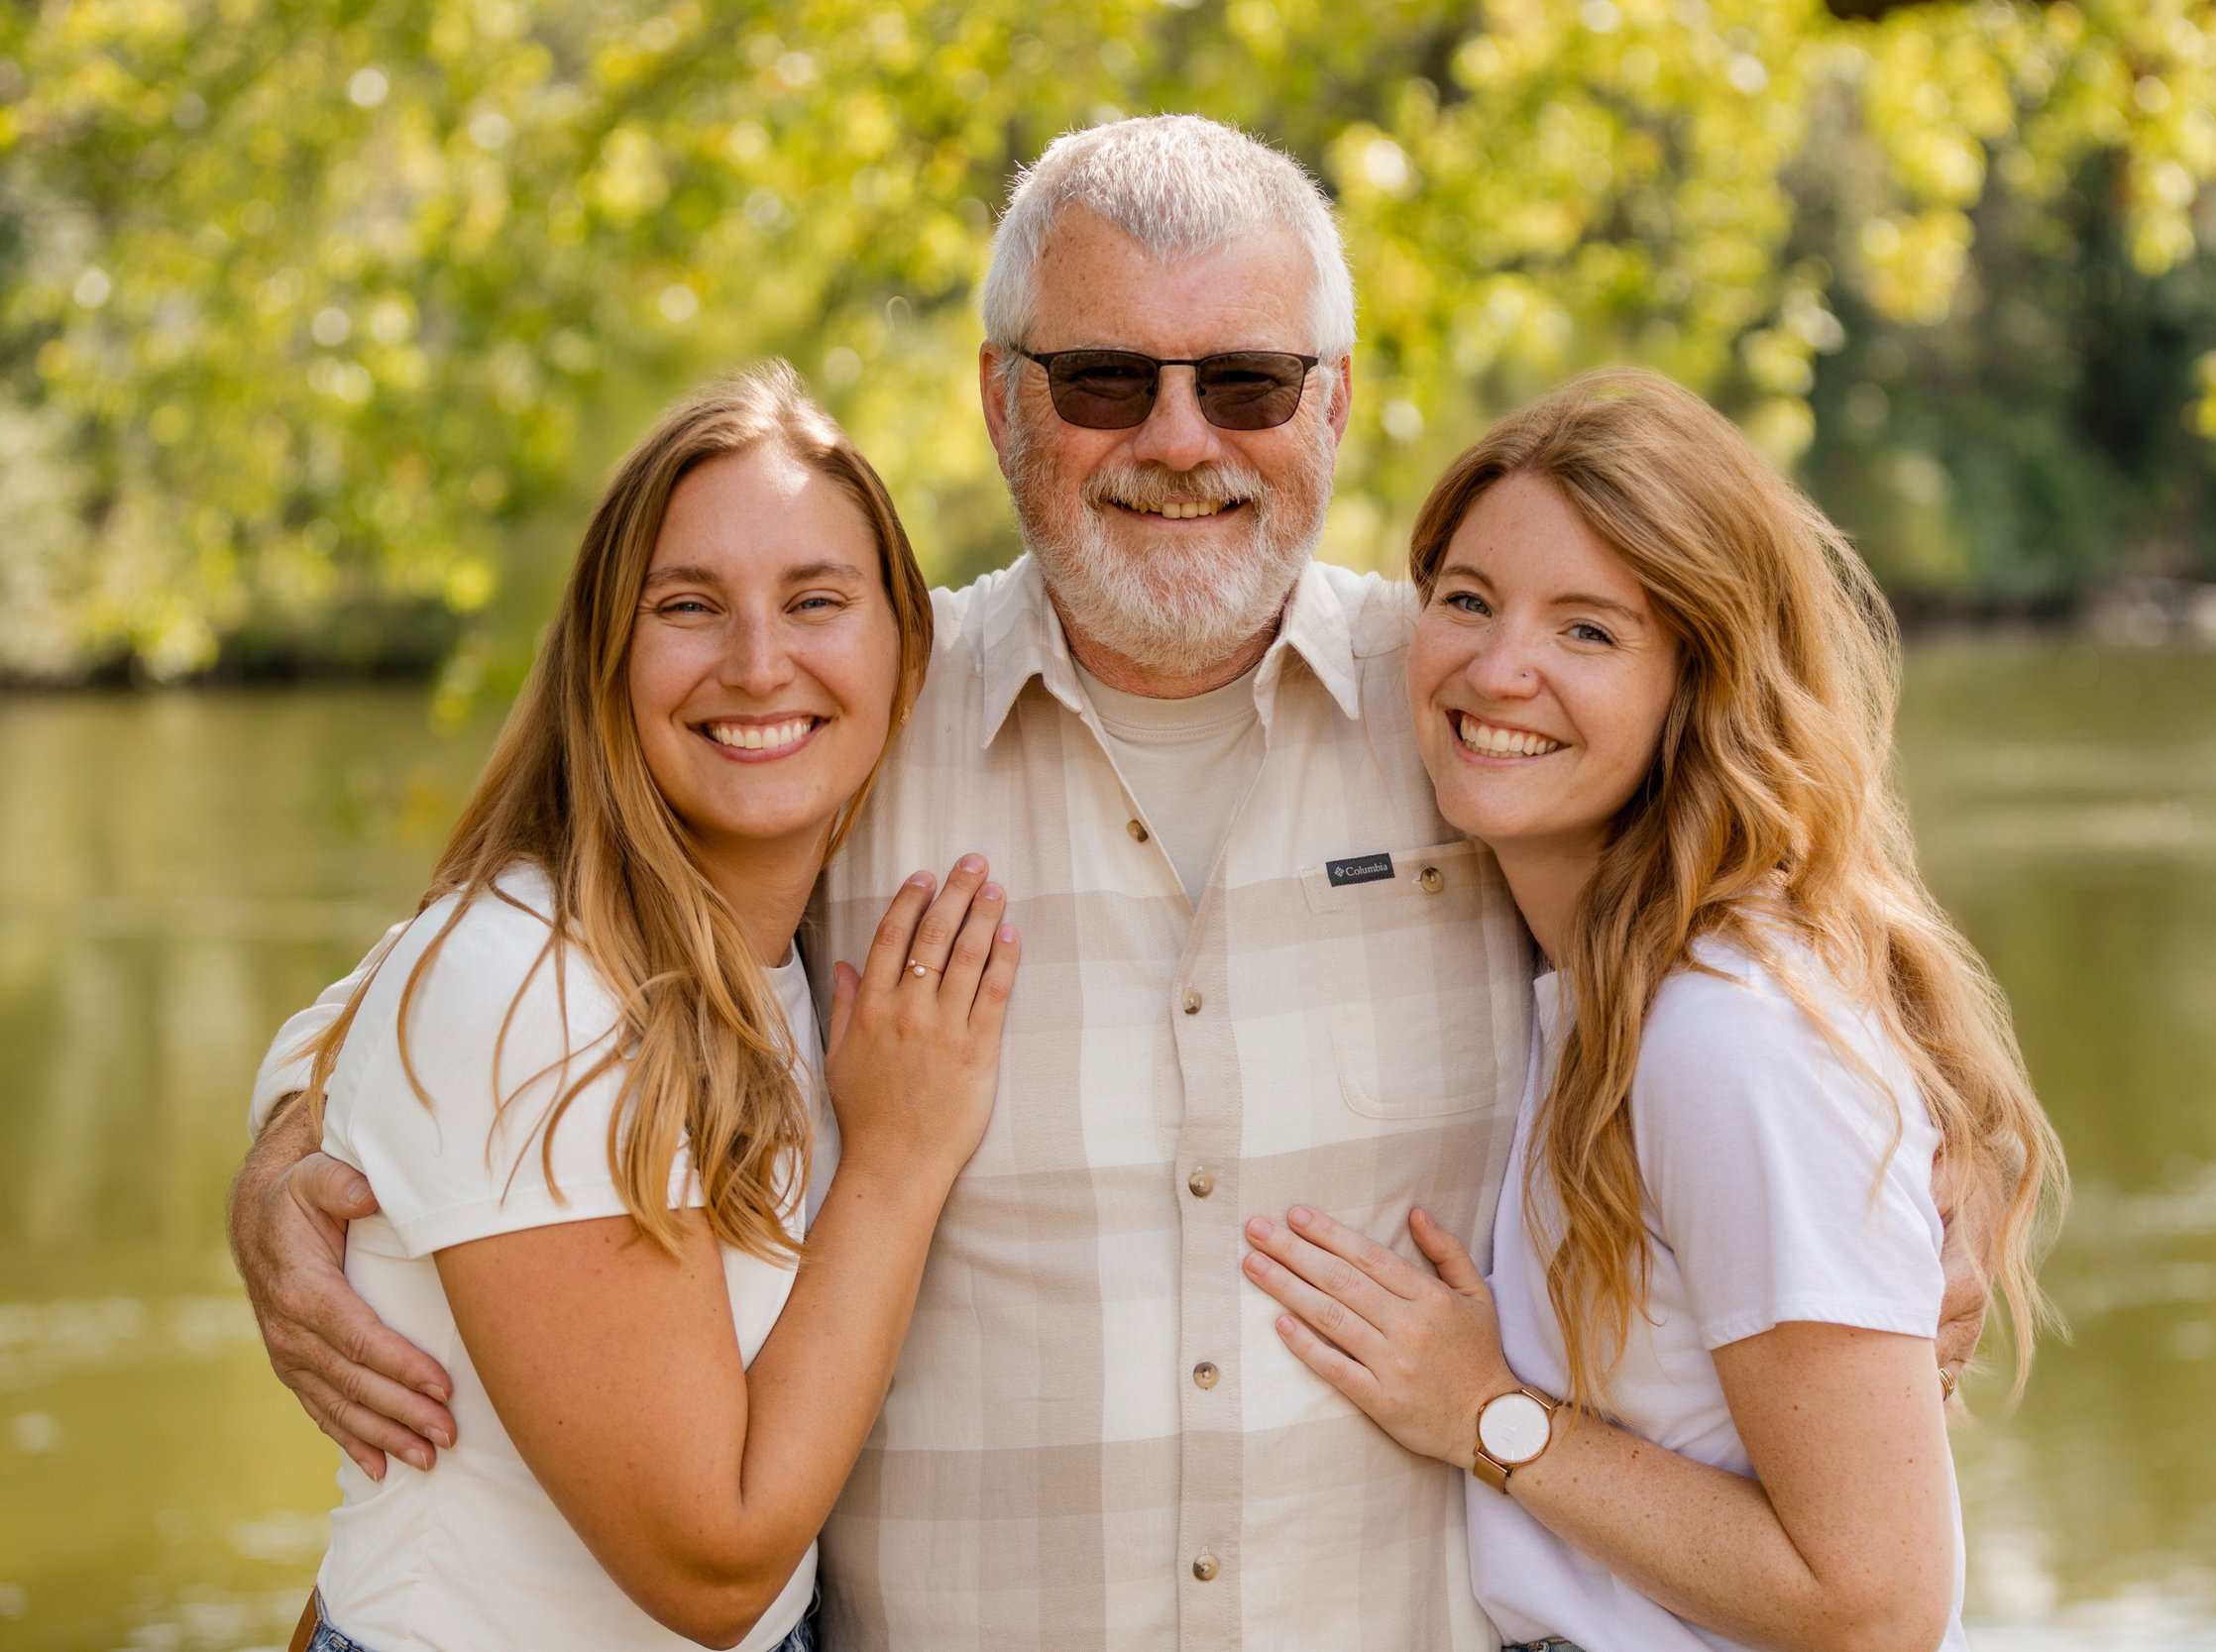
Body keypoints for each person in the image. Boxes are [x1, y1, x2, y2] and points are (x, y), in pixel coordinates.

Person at [230, 118, 2001, 1651]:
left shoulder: (1477, 720)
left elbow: (1790, 922)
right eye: (1105, 380)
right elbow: (526, 955)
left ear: (1332, 403)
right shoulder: (846, 726)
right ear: (1004, 403)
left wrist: (1951, 1167)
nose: (1180, 439)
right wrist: (293, 1138)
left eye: (1244, 381)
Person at [1241, 372, 2066, 1651]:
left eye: (1589, 631)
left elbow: (1878, 1604)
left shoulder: (1728, 1034)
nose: (1500, 668)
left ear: (1698, 682)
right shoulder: (1601, 982)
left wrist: (1488, 1415)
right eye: (1467, 602)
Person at [271, 361, 1019, 1651]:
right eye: (689, 605)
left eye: (817, 599)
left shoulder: (764, 923)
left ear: (908, 644)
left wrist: (285, 1142)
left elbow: (338, 1030)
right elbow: (712, 1566)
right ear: (605, 653)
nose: (758, 661)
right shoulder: (531, 986)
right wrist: (898, 1157)